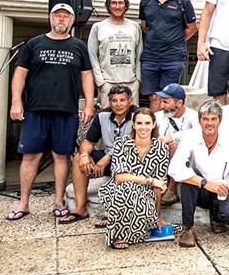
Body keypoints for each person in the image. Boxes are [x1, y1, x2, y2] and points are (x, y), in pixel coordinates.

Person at [6, 3, 95, 222]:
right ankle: (24, 203)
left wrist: (89, 104)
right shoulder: (34, 44)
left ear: (72, 20)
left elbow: (87, 76)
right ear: (50, 18)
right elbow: (19, 74)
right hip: (36, 109)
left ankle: (58, 201)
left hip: (66, 110)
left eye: (66, 16)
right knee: (30, 155)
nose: (61, 19)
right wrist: (16, 102)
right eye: (57, 15)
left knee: (61, 155)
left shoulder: (79, 46)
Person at [169, 99, 229, 247]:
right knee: (187, 177)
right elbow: (174, 168)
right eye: (205, 119)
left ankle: (217, 217)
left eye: (214, 119)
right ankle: (187, 228)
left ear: (220, 121)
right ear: (199, 121)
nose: (209, 123)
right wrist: (205, 183)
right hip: (199, 188)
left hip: (223, 188)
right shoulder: (189, 137)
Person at [59, 85, 137, 225]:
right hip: (107, 159)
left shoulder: (138, 115)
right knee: (78, 158)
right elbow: (88, 141)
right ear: (109, 101)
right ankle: (80, 208)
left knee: (122, 162)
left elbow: (134, 144)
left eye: (122, 100)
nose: (118, 104)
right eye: (114, 100)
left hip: (130, 159)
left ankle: (117, 213)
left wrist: (108, 158)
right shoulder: (103, 115)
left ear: (130, 101)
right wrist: (84, 155)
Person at [98, 108, 169, 249]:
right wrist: (149, 180)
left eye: (147, 123)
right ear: (134, 125)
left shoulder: (162, 149)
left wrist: (157, 216)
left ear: (154, 124)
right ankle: (118, 235)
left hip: (146, 195)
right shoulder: (121, 143)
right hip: (118, 190)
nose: (143, 127)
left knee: (141, 229)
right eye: (139, 123)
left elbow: (158, 187)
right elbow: (119, 177)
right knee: (127, 188)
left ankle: (129, 231)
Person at [139, 0, 197, 111]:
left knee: (167, 96)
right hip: (150, 57)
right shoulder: (146, 0)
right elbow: (144, 26)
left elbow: (192, 27)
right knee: (153, 96)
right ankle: (153, 130)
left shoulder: (182, 1)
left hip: (173, 58)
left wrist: (175, 40)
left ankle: (166, 130)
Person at [87, 0, 142, 108]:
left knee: (132, 121)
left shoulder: (135, 26)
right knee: (107, 120)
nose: (117, 6)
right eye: (113, 3)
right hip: (107, 82)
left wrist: (137, 80)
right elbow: (92, 56)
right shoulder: (98, 27)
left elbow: (139, 54)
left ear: (126, 5)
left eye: (121, 3)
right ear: (108, 5)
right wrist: (101, 82)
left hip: (130, 82)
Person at [154, 83, 200, 206]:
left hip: (190, 159)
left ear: (179, 103)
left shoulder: (193, 116)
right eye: (161, 102)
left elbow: (198, 133)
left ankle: (172, 189)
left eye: (165, 102)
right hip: (162, 156)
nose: (161, 106)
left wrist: (172, 137)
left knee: (174, 145)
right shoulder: (159, 116)